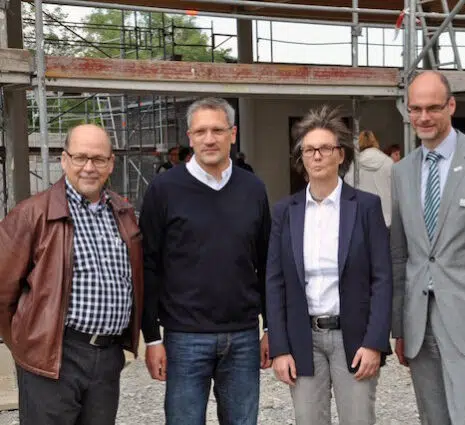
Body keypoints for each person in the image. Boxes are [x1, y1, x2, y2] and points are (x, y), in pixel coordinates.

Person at [390, 71, 465, 425]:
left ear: (451, 106)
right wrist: (399, 326)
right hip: (419, 322)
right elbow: (400, 254)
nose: (424, 117)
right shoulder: (402, 171)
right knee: (432, 419)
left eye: (433, 108)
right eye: (415, 109)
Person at [0, 124, 144, 425]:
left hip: (107, 356)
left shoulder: (122, 212)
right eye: (80, 157)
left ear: (111, 163)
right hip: (53, 356)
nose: (89, 167)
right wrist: (26, 346)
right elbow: (3, 293)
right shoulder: (32, 214)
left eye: (98, 159)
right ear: (64, 160)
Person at [140, 97, 271, 425]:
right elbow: (148, 265)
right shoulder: (164, 189)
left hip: (243, 336)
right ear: (190, 136)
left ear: (233, 134)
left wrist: (270, 327)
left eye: (217, 130)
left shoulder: (253, 189)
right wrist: (152, 337)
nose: (209, 139)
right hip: (184, 337)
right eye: (200, 131)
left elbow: (267, 262)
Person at [267, 105, 393, 425]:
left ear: (340, 155)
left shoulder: (366, 207)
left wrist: (375, 342)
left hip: (354, 337)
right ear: (302, 158)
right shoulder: (285, 211)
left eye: (325, 148)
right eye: (309, 150)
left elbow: (382, 278)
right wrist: (280, 348)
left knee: (358, 420)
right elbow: (275, 281)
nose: (317, 156)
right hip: (302, 337)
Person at [344, 130, 394, 227]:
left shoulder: (355, 165)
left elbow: (348, 185)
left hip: (362, 217)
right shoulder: (388, 162)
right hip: (386, 217)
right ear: (375, 141)